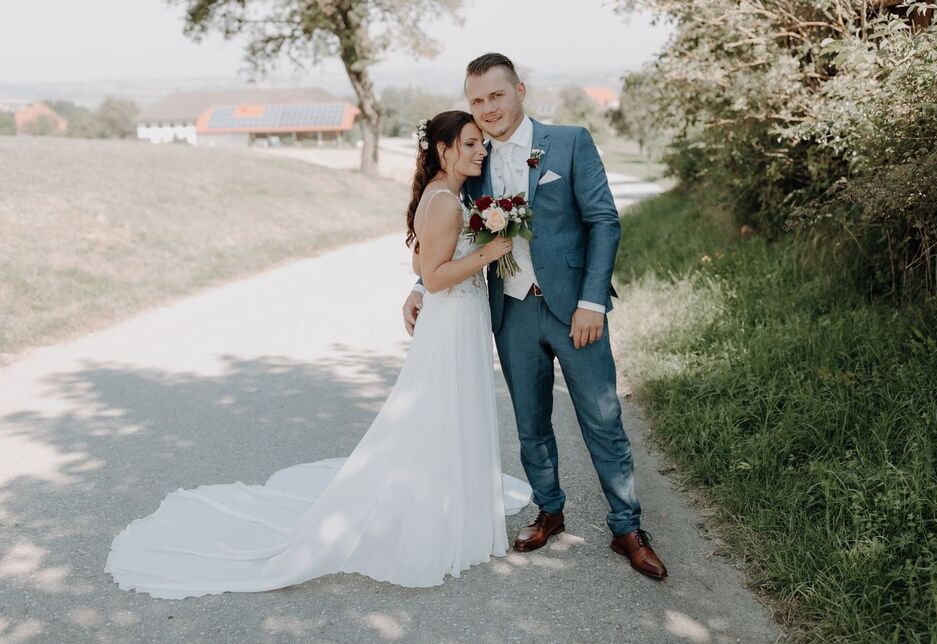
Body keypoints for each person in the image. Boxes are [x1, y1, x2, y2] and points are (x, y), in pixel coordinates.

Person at [104, 110, 531, 598]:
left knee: (445, 411)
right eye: (471, 144)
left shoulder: (445, 195)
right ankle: (440, 515)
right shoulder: (444, 202)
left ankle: (451, 505)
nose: (481, 151)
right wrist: (488, 253)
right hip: (451, 322)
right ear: (444, 150)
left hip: (458, 319)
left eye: (481, 143)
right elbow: (432, 277)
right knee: (441, 411)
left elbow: (420, 259)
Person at [403, 53, 667, 580]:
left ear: (519, 91)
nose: (487, 108)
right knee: (530, 422)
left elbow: (604, 221)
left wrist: (592, 302)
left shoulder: (570, 142)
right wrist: (419, 286)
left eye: (496, 95)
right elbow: (451, 238)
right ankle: (549, 510)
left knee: (602, 418)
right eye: (477, 100)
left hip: (575, 310)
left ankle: (627, 527)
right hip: (513, 310)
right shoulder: (474, 159)